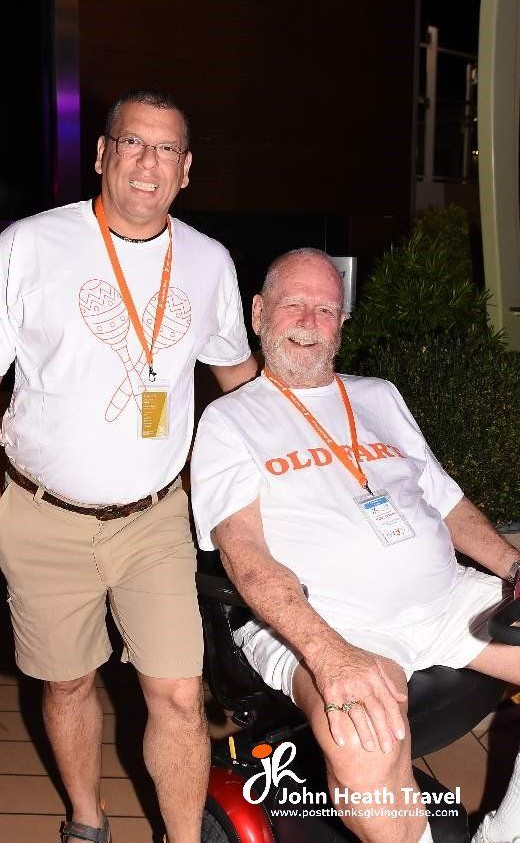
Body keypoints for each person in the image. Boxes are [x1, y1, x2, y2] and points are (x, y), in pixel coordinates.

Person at [0, 89, 258, 843]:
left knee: (178, 694)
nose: (150, 162)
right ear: (103, 154)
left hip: (155, 521)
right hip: (41, 517)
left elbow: (238, 380)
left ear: (186, 170)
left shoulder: (209, 262)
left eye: (167, 149)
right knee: (68, 680)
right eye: (134, 144)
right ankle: (87, 817)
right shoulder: (29, 246)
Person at [190, 247, 520, 843]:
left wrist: (516, 567)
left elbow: (446, 503)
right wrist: (330, 654)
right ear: (260, 312)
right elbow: (246, 557)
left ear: (342, 323)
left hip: (445, 603)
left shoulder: (379, 395)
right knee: (362, 740)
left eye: (326, 309)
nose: (309, 321)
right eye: (294, 304)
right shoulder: (230, 421)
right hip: (335, 623)